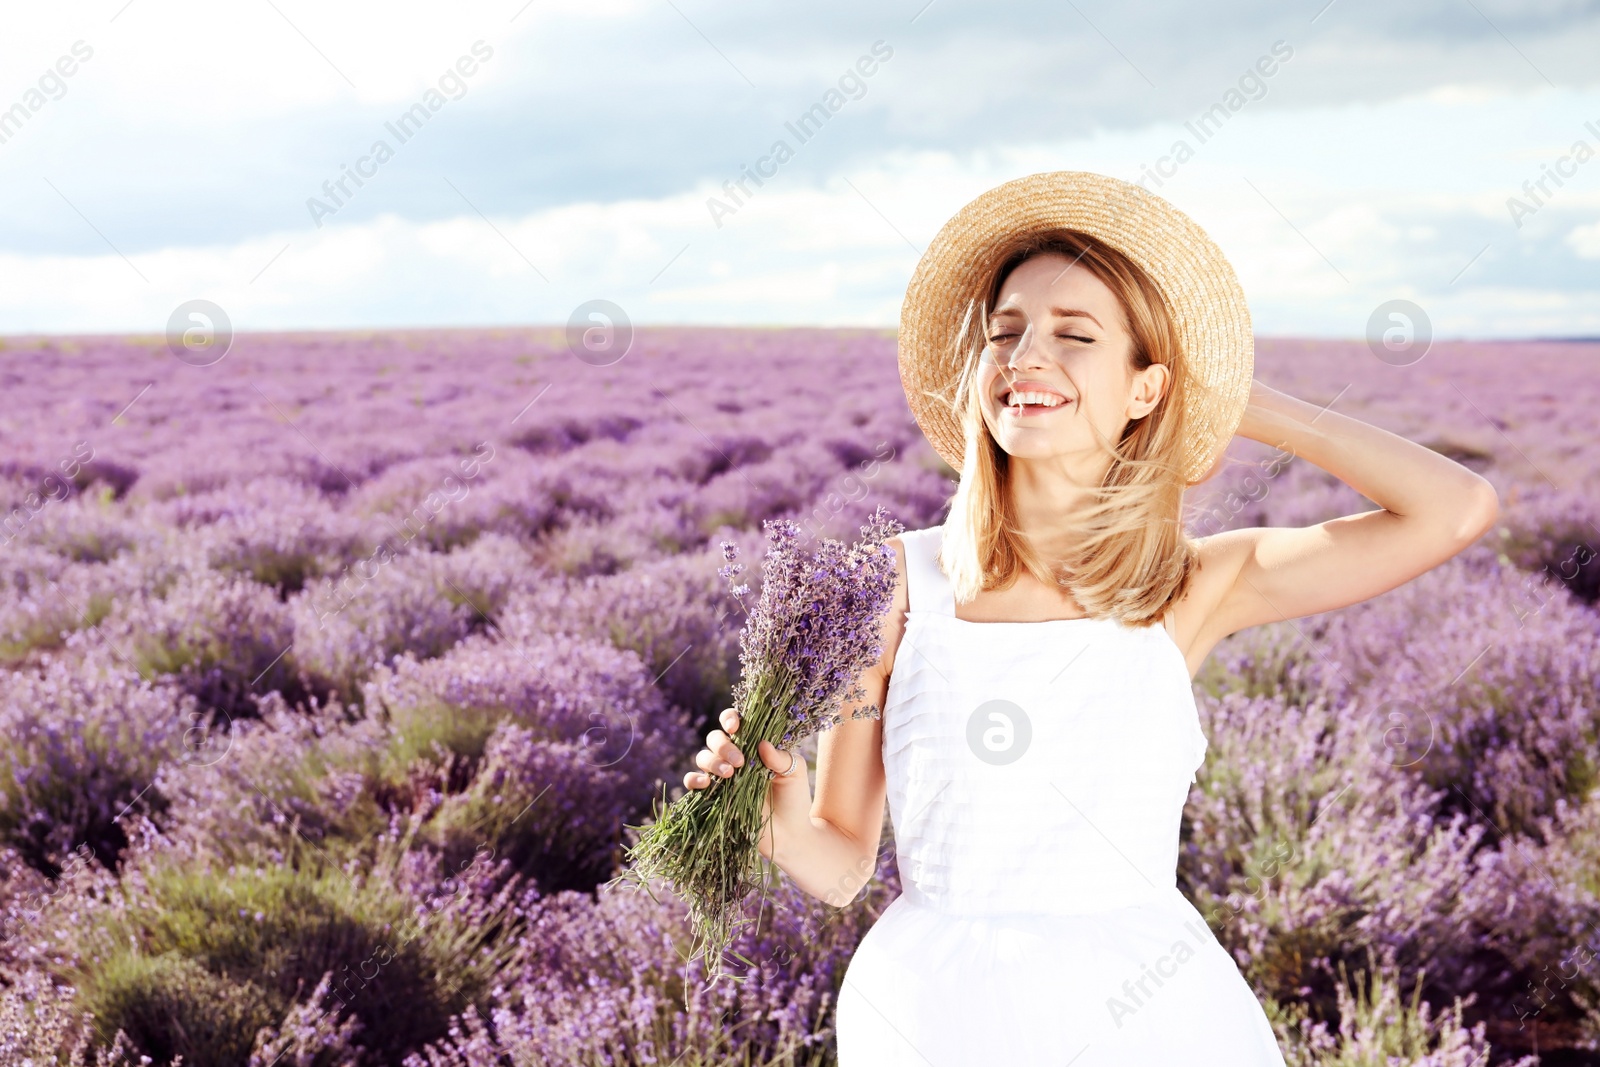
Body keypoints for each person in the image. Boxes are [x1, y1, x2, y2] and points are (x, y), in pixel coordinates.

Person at [682, 171, 1499, 1065]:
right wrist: (778, 819)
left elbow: (1453, 507)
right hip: (937, 1012)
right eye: (1006, 333)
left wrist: (1242, 402)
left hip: (1153, 1014)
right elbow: (841, 867)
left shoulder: (1188, 585)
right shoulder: (893, 586)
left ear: (1146, 389)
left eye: (1074, 336)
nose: (1027, 355)